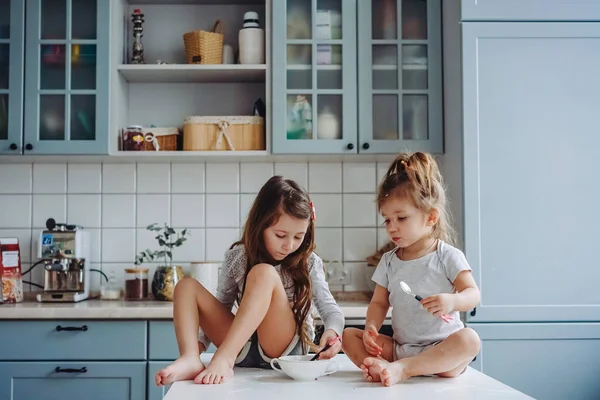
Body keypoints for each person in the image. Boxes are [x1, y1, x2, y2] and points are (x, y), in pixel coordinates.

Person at [155, 176, 344, 386]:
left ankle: (224, 358)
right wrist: (200, 345)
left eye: (298, 237)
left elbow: (330, 310)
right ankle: (190, 358)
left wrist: (332, 332)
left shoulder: (308, 262)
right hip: (240, 347)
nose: (289, 245)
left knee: (263, 273)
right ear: (260, 226)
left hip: (283, 351)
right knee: (186, 286)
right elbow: (221, 307)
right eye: (280, 235)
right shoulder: (238, 257)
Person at [342, 152, 481, 387]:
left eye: (402, 218)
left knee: (469, 340)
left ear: (431, 217)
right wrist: (371, 328)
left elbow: (473, 294)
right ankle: (393, 367)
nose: (392, 227)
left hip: (443, 353)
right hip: (402, 349)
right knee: (349, 337)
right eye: (387, 220)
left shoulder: (446, 255)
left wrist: (452, 301)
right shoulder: (388, 261)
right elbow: (378, 303)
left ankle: (402, 370)